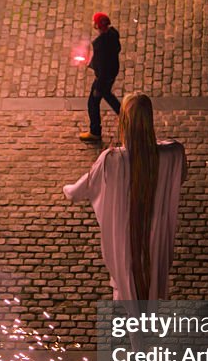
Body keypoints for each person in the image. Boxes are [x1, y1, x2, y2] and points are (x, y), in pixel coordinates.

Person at [64, 94, 187, 299]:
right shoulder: (172, 154)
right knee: (153, 286)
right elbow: (180, 175)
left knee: (126, 287)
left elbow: (87, 184)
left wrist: (69, 191)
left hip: (125, 237)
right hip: (155, 235)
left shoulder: (112, 159)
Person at [80, 12, 122, 142]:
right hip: (112, 72)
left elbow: (101, 65)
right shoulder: (113, 34)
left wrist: (89, 63)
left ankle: (95, 132)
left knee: (93, 102)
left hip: (102, 78)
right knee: (108, 96)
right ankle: (127, 117)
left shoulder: (99, 44)